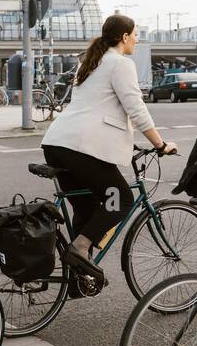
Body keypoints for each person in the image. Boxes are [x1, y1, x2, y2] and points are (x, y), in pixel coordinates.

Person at [39, 14, 176, 282]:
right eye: (135, 34)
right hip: (80, 148)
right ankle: (79, 249)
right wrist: (159, 144)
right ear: (124, 37)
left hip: (56, 143)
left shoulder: (90, 62)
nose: (137, 39)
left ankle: (79, 278)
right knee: (120, 199)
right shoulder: (120, 63)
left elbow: (95, 108)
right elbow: (135, 108)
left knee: (87, 208)